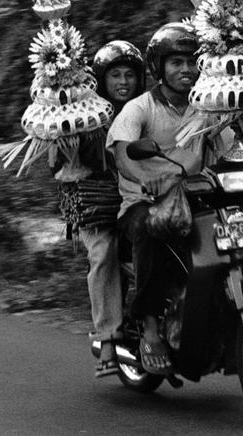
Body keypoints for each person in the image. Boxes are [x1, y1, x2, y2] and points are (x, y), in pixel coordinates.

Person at [105, 22, 233, 375]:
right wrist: (150, 178)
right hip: (141, 206)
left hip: (197, 202)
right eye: (176, 63)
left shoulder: (207, 107)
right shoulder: (139, 108)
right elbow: (123, 154)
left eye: (192, 62)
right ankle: (148, 329)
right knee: (150, 227)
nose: (186, 70)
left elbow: (231, 148)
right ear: (159, 68)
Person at [75, 40, 146, 378]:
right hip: (100, 202)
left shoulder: (148, 109)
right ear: (101, 81)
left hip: (141, 196)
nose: (122, 82)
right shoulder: (86, 115)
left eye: (129, 75)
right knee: (104, 252)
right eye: (115, 75)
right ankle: (107, 337)